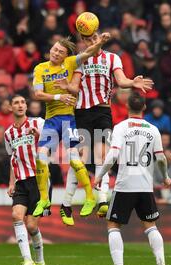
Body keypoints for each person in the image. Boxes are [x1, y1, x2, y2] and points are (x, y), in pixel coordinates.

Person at [54, 30, 153, 225]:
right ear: (83, 41)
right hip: (81, 112)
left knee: (102, 155)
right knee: (80, 159)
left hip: (102, 112)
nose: (92, 41)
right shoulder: (79, 60)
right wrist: (66, 86)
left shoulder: (112, 58)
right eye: (88, 39)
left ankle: (102, 200)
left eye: (94, 38)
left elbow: (121, 80)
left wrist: (132, 82)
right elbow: (75, 87)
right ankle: (66, 204)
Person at [31, 33, 112, 222]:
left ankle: (90, 198)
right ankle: (44, 200)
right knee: (41, 158)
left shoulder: (70, 63)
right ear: (51, 49)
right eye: (55, 49)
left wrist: (101, 42)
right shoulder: (40, 69)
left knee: (75, 160)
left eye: (61, 51)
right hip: (51, 119)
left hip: (68, 119)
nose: (56, 53)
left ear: (66, 55)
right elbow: (38, 94)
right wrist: (59, 97)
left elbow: (89, 52)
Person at [93, 92, 171, 265]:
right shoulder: (153, 129)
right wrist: (165, 177)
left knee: (113, 225)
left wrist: (100, 176)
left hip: (125, 185)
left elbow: (112, 156)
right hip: (145, 186)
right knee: (151, 226)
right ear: (144, 107)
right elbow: (160, 157)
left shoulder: (120, 127)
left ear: (127, 106)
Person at [5, 95, 46, 265]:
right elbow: (12, 158)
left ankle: (40, 262)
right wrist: (11, 183)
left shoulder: (38, 123)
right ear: (10, 108)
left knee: (31, 226)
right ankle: (27, 260)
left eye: (23, 102)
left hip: (38, 180)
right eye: (16, 103)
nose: (20, 105)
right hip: (21, 181)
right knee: (16, 216)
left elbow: (53, 143)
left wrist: (39, 136)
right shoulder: (8, 134)